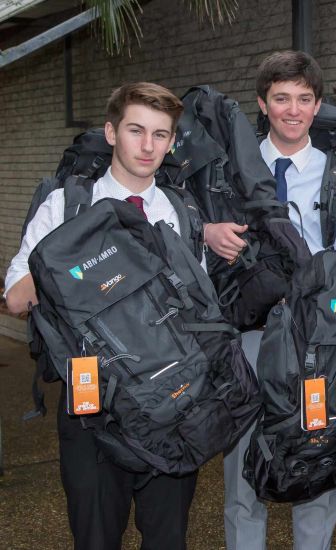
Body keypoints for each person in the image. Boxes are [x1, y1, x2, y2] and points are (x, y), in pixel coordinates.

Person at [4, 82, 198, 549]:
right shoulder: (67, 204)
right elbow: (15, 296)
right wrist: (87, 264)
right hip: (93, 404)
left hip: (169, 403)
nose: (148, 145)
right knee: (95, 538)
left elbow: (197, 304)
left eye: (160, 134)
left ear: (172, 142)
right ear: (111, 132)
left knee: (168, 539)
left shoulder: (180, 210)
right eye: (136, 130)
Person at [204, 50, 336, 550]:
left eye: (304, 99)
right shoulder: (230, 174)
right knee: (244, 468)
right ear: (262, 104)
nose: (293, 110)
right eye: (281, 99)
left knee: (317, 459)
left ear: (317, 106)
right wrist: (207, 233)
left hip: (317, 342)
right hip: (250, 337)